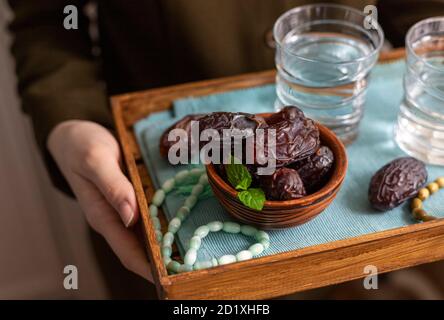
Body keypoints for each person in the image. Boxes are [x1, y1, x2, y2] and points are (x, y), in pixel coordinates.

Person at [6, 0, 444, 299]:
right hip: (146, 193)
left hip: (347, 254)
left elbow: (424, 14)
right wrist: (70, 118)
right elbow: (46, 17)